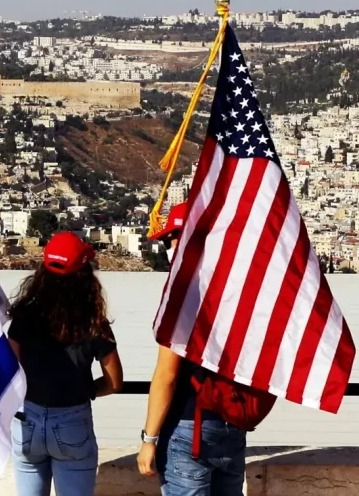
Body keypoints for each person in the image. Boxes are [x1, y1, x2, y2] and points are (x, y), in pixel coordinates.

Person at [136, 202, 248, 496]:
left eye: (170, 239)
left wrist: (149, 439)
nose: (168, 247)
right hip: (230, 426)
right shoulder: (236, 291)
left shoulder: (182, 297)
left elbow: (167, 376)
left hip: (189, 428)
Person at [7, 231, 124, 496]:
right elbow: (115, 382)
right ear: (84, 275)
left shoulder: (25, 315)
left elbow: (10, 368)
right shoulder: (94, 322)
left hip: (28, 418)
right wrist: (87, 390)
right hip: (73, 421)